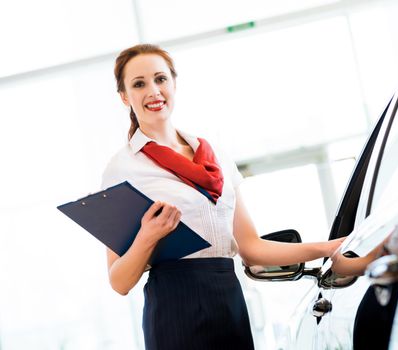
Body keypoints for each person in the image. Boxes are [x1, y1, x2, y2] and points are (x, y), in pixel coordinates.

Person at [101, 43, 343, 350]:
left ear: (174, 83)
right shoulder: (123, 168)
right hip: (173, 308)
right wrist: (148, 236)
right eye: (139, 84)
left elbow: (251, 248)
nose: (154, 91)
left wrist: (328, 248)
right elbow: (119, 281)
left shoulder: (215, 157)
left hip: (229, 300)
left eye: (160, 79)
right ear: (125, 97)